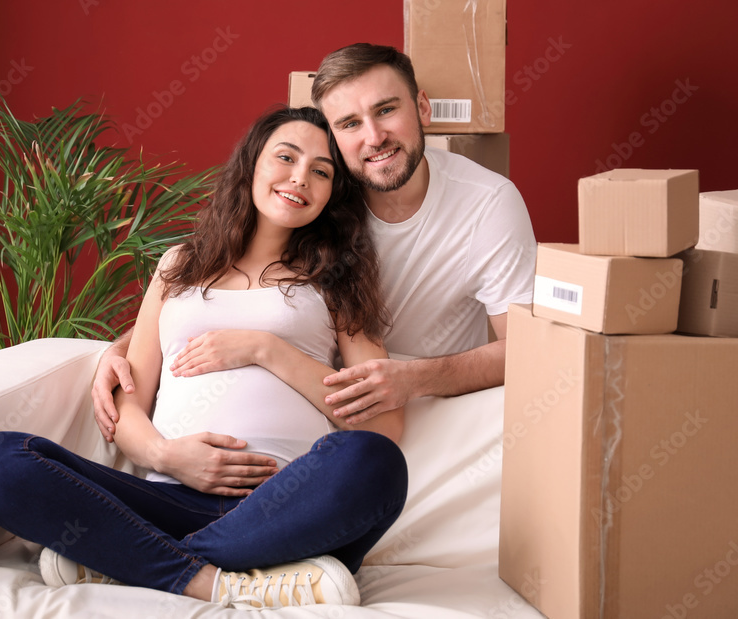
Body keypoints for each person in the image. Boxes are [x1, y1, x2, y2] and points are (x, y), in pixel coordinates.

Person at [0, 106, 407, 611]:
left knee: (375, 463)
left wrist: (266, 349)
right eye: (286, 157)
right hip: (166, 499)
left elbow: (384, 423)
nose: (300, 178)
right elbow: (131, 401)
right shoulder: (180, 265)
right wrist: (163, 456)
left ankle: (126, 561)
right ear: (252, 164)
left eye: (322, 171)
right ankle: (219, 581)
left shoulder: (339, 279)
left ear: (332, 195)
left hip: (285, 506)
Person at [93, 43, 536, 439]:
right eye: (349, 123)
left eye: (386, 110)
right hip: (319, 390)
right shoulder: (317, 201)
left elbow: (527, 348)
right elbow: (233, 288)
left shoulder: (488, 203)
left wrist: (412, 378)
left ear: (422, 107)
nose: (374, 137)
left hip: (408, 398)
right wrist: (124, 349)